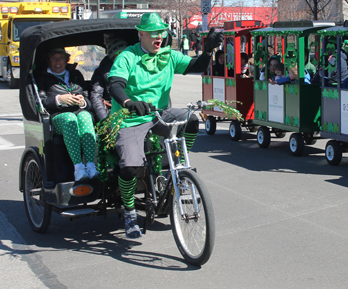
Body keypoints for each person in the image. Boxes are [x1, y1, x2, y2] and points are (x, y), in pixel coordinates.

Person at [107, 13, 223, 239]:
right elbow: (115, 85)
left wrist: (208, 51)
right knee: (130, 167)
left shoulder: (168, 56)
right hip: (130, 118)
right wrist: (129, 103)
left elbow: (196, 65)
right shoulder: (127, 57)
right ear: (140, 34)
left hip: (159, 114)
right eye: (152, 33)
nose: (158, 37)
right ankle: (130, 212)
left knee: (190, 118)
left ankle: (179, 167)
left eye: (160, 32)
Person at [35, 48, 98, 181]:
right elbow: (41, 102)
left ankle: (91, 165)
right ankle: (79, 168)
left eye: (61, 58)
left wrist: (82, 102)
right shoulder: (43, 77)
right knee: (70, 118)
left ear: (66, 60)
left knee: (85, 116)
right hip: (57, 116)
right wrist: (59, 99)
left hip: (79, 112)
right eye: (54, 58)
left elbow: (89, 100)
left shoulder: (76, 75)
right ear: (48, 61)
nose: (58, 62)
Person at [90, 35, 129, 121]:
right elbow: (96, 97)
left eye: (125, 53)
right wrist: (106, 120)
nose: (122, 57)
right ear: (112, 57)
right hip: (112, 112)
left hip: (132, 110)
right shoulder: (101, 72)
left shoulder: (135, 68)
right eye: (119, 54)